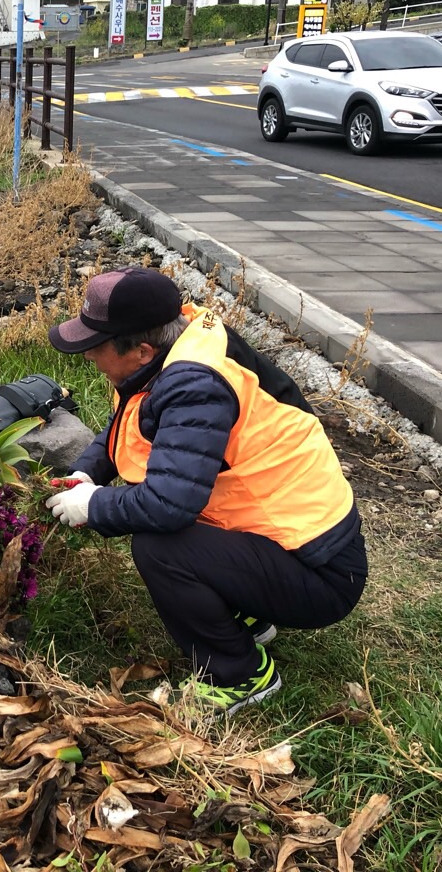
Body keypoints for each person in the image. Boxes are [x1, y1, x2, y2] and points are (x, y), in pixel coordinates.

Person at [44, 267, 367, 716]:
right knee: (172, 516)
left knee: (160, 546)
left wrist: (94, 506)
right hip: (290, 544)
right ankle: (247, 617)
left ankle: (241, 675)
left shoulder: (193, 385)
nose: (88, 358)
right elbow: (129, 429)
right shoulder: (176, 344)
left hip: (320, 571)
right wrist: (87, 473)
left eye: (94, 348)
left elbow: (168, 505)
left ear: (140, 350)